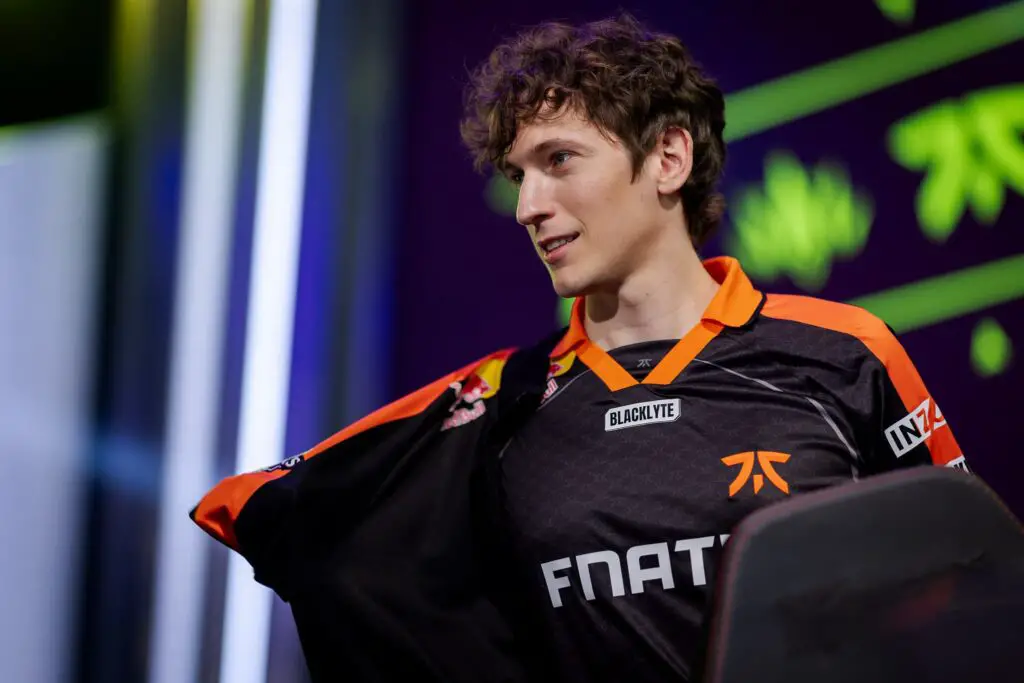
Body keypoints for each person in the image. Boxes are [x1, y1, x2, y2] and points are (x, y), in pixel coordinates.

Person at [192, 14, 969, 683]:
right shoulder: (498, 410)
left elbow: (969, 584)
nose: (528, 206)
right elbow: (266, 510)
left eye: (559, 160)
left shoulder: (845, 354)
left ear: (668, 158)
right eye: (518, 175)